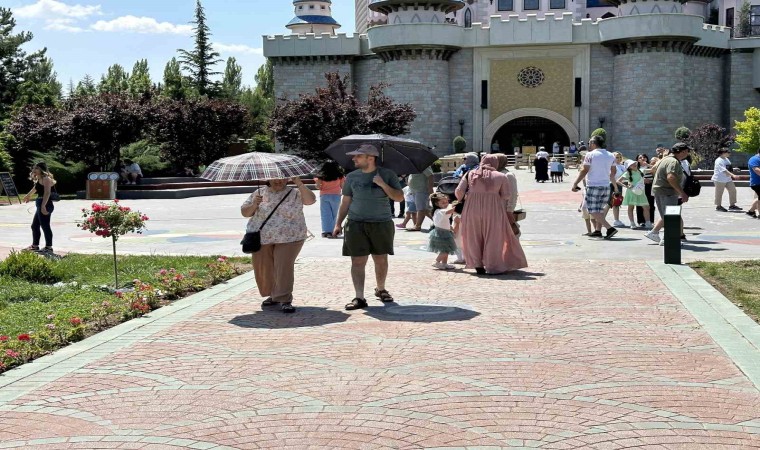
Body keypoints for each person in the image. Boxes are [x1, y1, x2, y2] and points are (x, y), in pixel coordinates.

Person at [333, 144, 404, 310]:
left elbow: (399, 198)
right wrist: (338, 223)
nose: (354, 159)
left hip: (381, 223)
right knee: (357, 261)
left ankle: (381, 289)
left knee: (380, 259)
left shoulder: (388, 174)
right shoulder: (351, 177)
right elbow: (346, 201)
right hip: (355, 223)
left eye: (358, 156)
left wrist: (383, 184)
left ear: (370, 158)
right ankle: (359, 297)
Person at [240, 177, 316, 313]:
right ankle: (273, 295)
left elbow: (310, 200)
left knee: (283, 267)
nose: (278, 181)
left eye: (282, 178)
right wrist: (254, 204)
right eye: (275, 179)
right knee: (264, 268)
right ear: (268, 179)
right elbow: (245, 212)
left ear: (288, 179)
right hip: (262, 238)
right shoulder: (259, 192)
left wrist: (299, 183)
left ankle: (285, 299)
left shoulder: (295, 193)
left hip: (291, 237)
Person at [455, 154, 527, 275]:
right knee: (493, 237)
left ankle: (477, 264)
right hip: (494, 210)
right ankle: (493, 265)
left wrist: (470, 195)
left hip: (472, 209)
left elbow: (458, 192)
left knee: (473, 237)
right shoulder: (501, 176)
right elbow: (506, 195)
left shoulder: (470, 174)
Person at [571, 135, 619, 239]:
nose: (589, 145)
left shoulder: (590, 154)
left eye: (589, 143)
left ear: (593, 143)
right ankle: (598, 230)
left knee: (592, 210)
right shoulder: (611, 155)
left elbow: (585, 170)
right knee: (600, 210)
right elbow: (613, 172)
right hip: (606, 186)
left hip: (593, 185)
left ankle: (610, 228)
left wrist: (575, 183)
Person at [644, 143, 691, 245]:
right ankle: (668, 240)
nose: (688, 153)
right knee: (671, 217)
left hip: (660, 191)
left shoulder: (665, 159)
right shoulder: (673, 162)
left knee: (666, 216)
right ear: (682, 151)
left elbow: (653, 169)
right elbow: (671, 177)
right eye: (687, 151)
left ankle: (659, 235)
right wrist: (682, 193)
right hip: (668, 192)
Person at [22, 162, 58, 255]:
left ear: (42, 169)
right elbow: (35, 188)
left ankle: (49, 247)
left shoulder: (46, 179)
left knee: (45, 226)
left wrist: (43, 206)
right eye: (34, 168)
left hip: (45, 203)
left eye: (37, 168)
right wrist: (28, 196)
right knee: (34, 226)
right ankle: (35, 246)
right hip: (40, 203)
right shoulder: (40, 178)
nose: (34, 170)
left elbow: (47, 193)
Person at [314, 160, 345, 238]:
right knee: (334, 214)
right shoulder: (340, 176)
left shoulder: (321, 176)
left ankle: (326, 231)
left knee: (325, 214)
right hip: (336, 196)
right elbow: (343, 186)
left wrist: (319, 185)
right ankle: (334, 230)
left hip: (324, 195)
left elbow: (318, 187)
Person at [618, 159, 652, 229]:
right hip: (631, 192)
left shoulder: (641, 170)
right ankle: (632, 223)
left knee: (646, 207)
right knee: (631, 207)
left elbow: (654, 169)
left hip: (641, 192)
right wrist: (626, 186)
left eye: (634, 163)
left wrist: (647, 165)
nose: (634, 165)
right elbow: (618, 181)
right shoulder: (627, 173)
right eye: (631, 164)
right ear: (629, 167)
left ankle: (648, 223)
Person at [427, 193, 457, 270]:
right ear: (437, 204)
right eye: (443, 203)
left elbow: (443, 222)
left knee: (446, 249)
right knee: (446, 250)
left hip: (444, 232)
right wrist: (459, 206)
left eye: (446, 202)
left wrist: (450, 227)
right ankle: (436, 262)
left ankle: (444, 263)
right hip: (442, 233)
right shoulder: (441, 211)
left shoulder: (438, 211)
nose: (446, 204)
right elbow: (449, 211)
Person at [406, 165, 434, 231]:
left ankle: (417, 226)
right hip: (415, 191)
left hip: (421, 190)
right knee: (425, 210)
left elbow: (430, 175)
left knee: (421, 209)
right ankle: (439, 222)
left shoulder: (423, 165)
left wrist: (430, 188)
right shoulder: (414, 165)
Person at [635, 154, 655, 226]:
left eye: (644, 157)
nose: (642, 158)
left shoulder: (650, 166)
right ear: (637, 160)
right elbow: (634, 176)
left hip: (649, 186)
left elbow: (656, 169)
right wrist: (643, 180)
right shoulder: (636, 167)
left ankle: (650, 220)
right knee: (640, 204)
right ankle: (641, 221)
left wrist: (648, 165)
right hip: (640, 186)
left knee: (651, 203)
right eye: (640, 157)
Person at [747, 147, 760, 218]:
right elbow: (757, 170)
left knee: (758, 198)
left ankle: (751, 211)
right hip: (757, 183)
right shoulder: (754, 159)